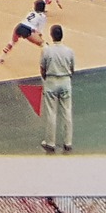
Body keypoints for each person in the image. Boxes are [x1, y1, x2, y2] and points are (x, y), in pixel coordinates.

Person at [39, 24, 75, 154]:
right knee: (67, 112)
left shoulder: (47, 51)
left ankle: (50, 142)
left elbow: (42, 69)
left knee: (51, 112)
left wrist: (47, 79)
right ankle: (68, 142)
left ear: (52, 35)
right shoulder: (69, 51)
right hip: (65, 81)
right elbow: (72, 69)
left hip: (51, 81)